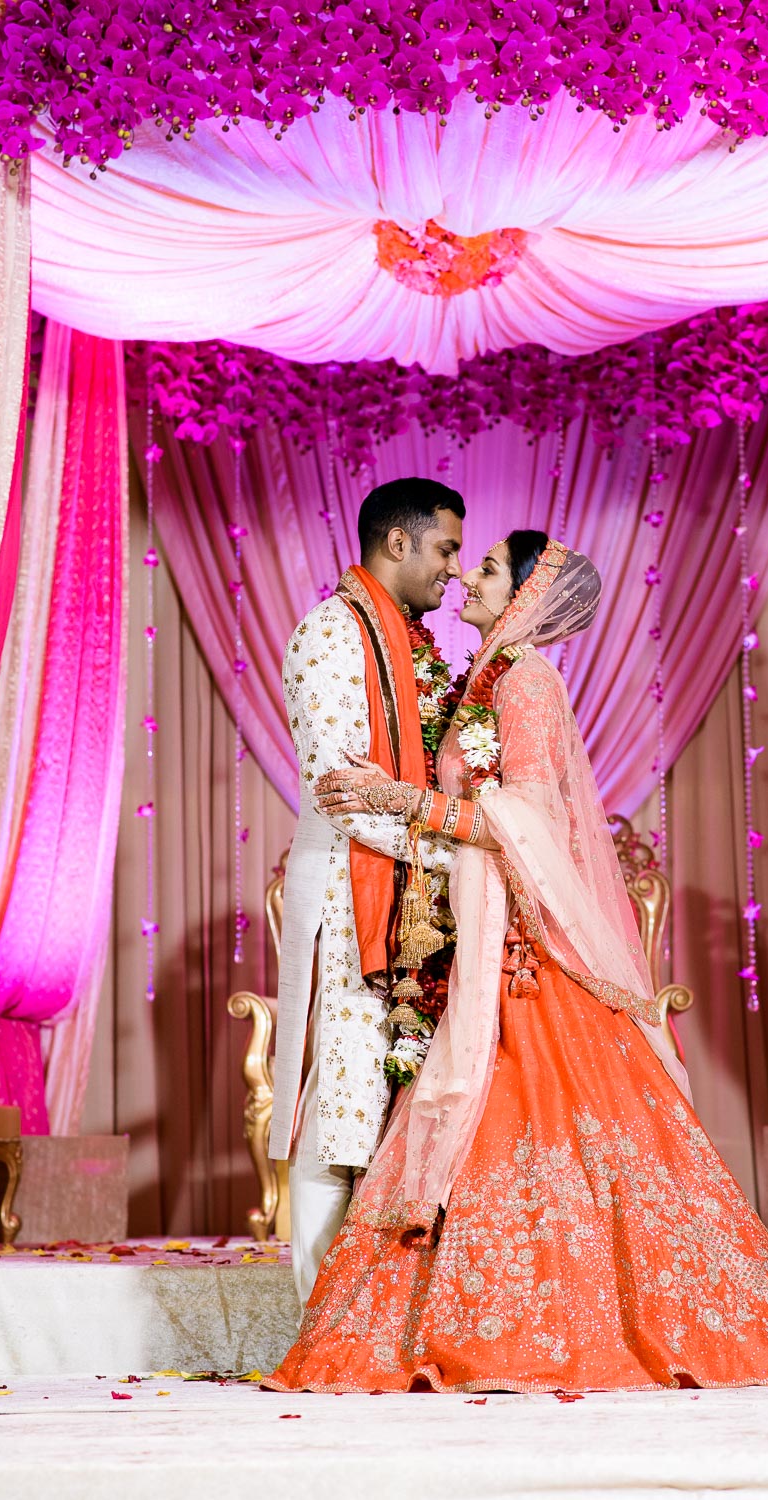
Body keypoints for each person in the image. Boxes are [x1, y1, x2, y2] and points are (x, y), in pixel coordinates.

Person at [265, 532, 768, 1393]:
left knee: (526, 1113)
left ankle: (548, 1326)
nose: (464, 577)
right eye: (462, 560)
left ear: (525, 597)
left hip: (524, 954)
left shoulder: (526, 682)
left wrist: (411, 803)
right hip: (490, 935)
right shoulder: (490, 679)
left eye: (483, 569)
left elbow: (534, 821)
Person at [270, 477, 464, 1306]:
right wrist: (461, 855)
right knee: (342, 1107)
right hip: (351, 900)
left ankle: (383, 1315)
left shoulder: (405, 643)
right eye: (446, 549)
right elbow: (338, 789)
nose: (453, 572)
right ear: (398, 543)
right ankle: (322, 1316)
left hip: (408, 895)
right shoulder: (330, 634)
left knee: (394, 1100)